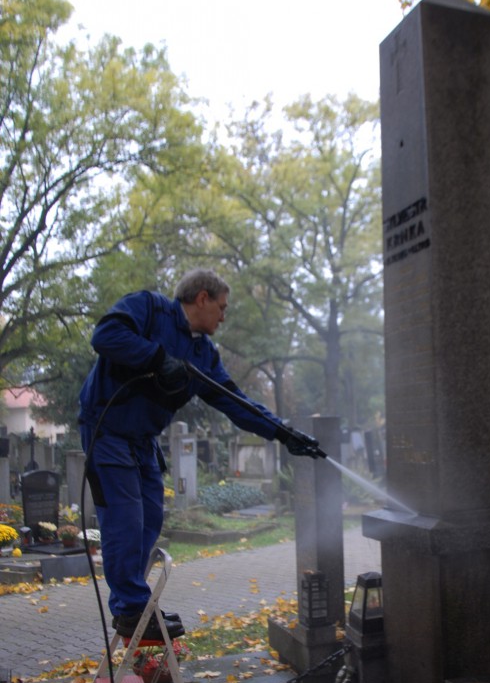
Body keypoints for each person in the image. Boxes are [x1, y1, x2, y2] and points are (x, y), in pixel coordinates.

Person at [79, 269, 319, 642]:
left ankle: (134, 599)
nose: (224, 316)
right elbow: (104, 336)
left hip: (143, 439)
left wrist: (284, 433)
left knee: (151, 516)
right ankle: (130, 607)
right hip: (106, 429)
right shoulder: (149, 309)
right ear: (202, 298)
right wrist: (157, 358)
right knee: (125, 518)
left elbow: (236, 402)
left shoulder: (203, 354)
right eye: (221, 307)